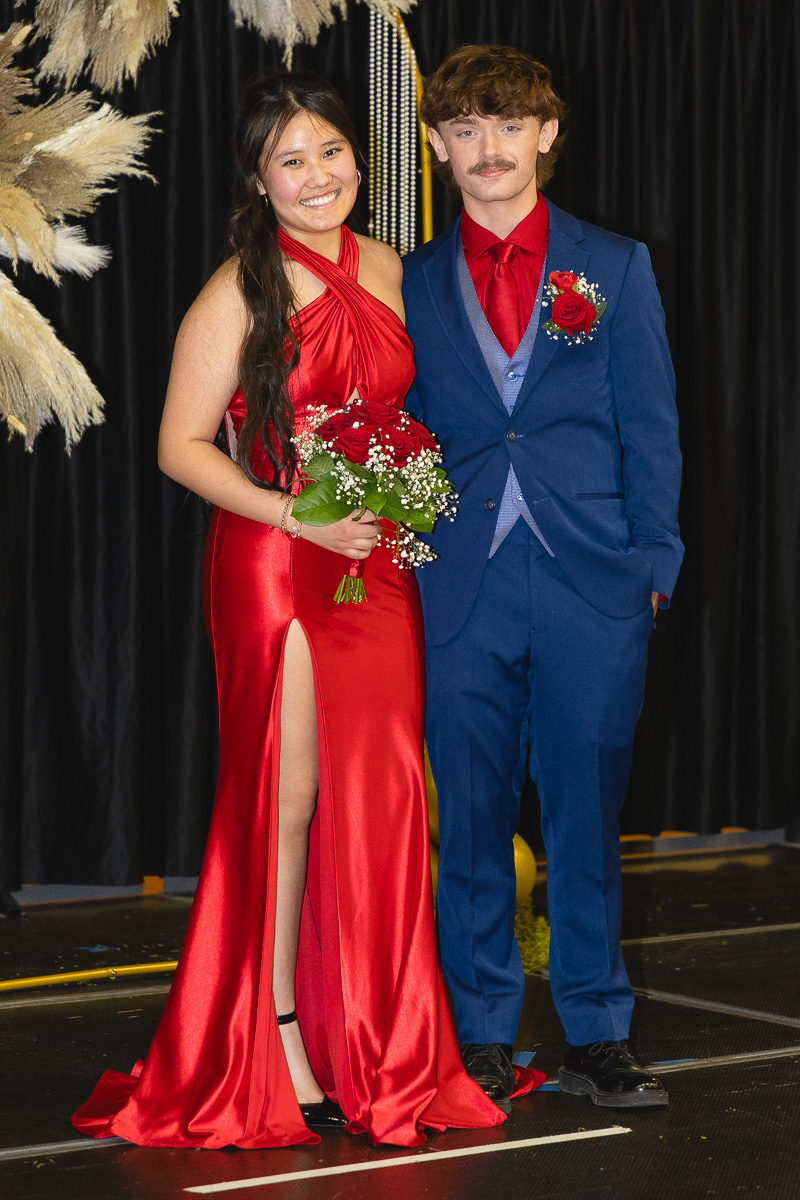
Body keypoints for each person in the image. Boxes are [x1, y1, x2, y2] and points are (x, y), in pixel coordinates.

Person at [72, 70, 535, 1151]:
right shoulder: (239, 288)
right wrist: (299, 517)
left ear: (359, 159)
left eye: (330, 151)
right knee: (286, 802)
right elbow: (179, 447)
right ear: (258, 180)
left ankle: (375, 1039)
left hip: (372, 563)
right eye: (291, 160)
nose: (317, 174)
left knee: (380, 798)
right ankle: (274, 1031)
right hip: (277, 560)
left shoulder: (391, 266)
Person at [402, 45, 683, 1112]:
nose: (489, 148)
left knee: (583, 820)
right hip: (458, 585)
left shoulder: (615, 265)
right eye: (466, 129)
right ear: (437, 144)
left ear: (547, 134)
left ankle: (596, 1030)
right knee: (469, 823)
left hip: (592, 586)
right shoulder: (410, 279)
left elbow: (650, 427)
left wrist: (651, 565)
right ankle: (478, 1034)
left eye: (509, 125)